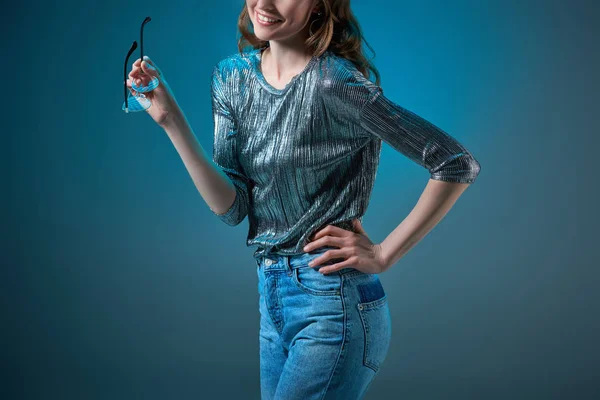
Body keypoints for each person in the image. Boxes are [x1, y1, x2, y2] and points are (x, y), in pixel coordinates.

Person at [126, 0, 481, 398]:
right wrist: (171, 120)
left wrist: (383, 254)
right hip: (272, 299)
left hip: (333, 306)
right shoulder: (230, 78)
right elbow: (234, 208)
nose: (264, 4)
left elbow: (454, 163)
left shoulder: (336, 83)